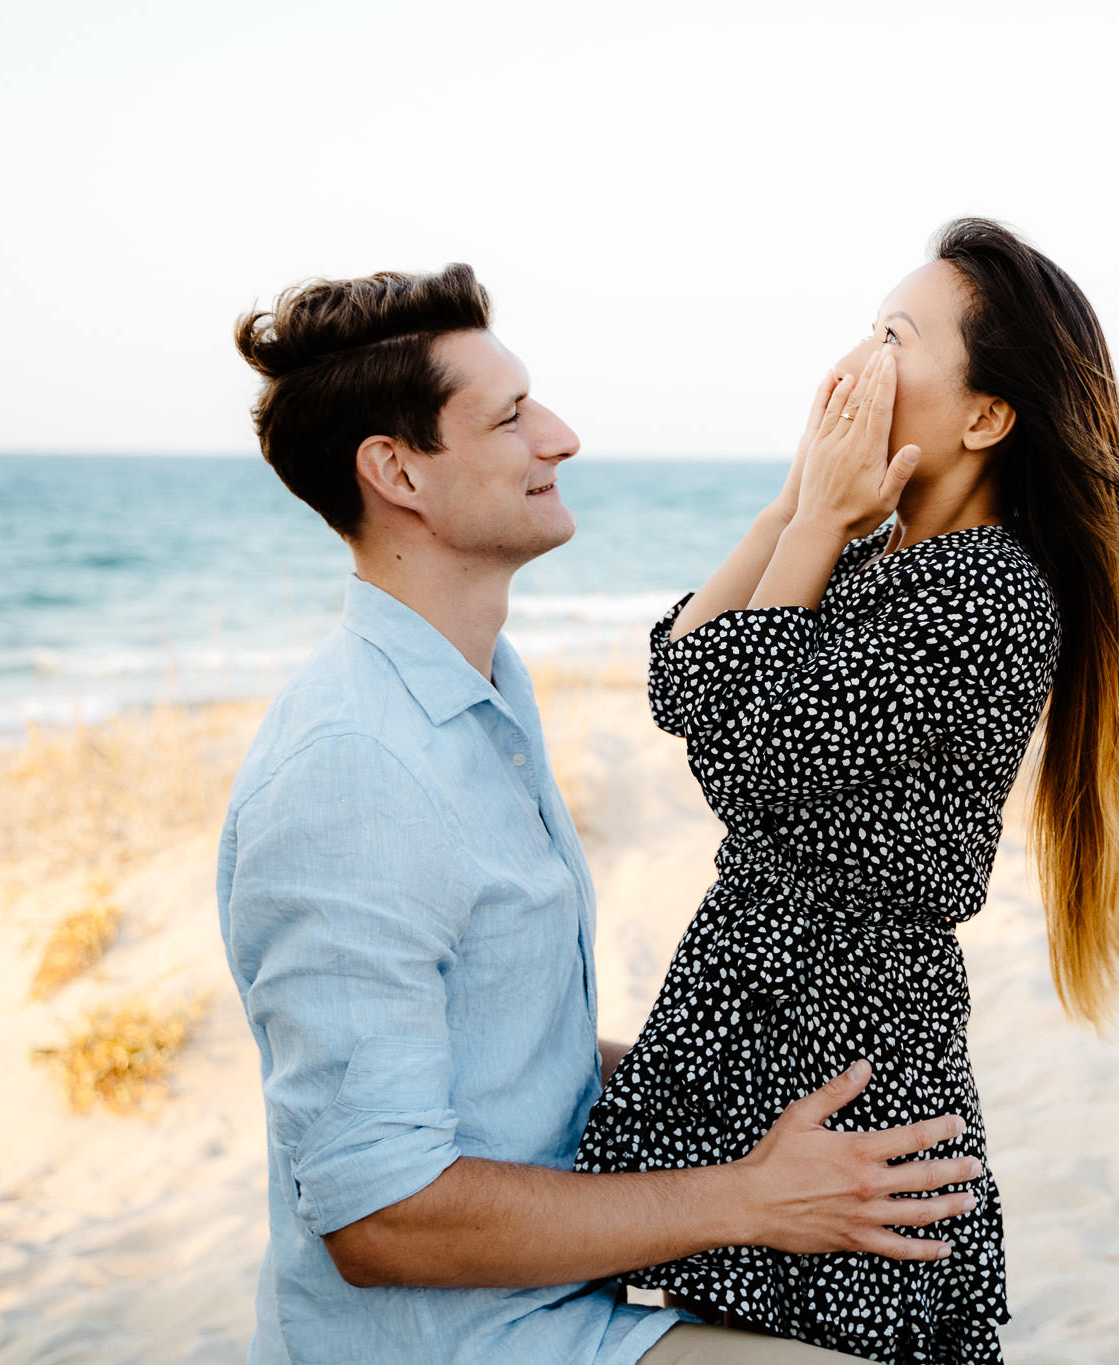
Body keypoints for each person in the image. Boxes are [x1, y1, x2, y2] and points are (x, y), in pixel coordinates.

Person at [576, 219, 1119, 1364]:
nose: (853, 364)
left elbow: (749, 754)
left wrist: (807, 530)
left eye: (894, 336)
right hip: (768, 1009)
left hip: (837, 1037)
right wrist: (794, 510)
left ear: (986, 417)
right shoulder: (868, 556)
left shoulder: (988, 596)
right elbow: (680, 679)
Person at [217, 263, 981, 1365]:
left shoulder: (479, 695)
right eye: (511, 416)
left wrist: (778, 1080)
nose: (562, 437)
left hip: (567, 1302)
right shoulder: (354, 772)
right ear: (396, 473)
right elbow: (379, 1218)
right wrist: (750, 1198)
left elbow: (507, 1049)